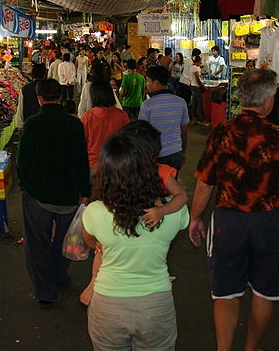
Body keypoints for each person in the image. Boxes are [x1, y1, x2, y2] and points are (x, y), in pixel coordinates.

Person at [189, 69, 279, 351]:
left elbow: (205, 182)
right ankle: (251, 348)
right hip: (270, 222)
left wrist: (195, 217)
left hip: (228, 221)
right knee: (264, 292)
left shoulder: (221, 132)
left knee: (226, 294)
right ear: (269, 100)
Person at [82, 133, 189, 350]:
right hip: (156, 307)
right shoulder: (170, 212)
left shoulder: (94, 212)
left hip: (107, 306)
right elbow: (181, 201)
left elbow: (91, 243)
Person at [17, 78, 91, 308]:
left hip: (37, 194)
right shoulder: (74, 124)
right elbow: (81, 161)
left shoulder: (32, 124)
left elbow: (23, 162)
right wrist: (85, 191)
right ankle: (60, 274)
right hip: (68, 194)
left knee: (37, 243)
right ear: (60, 97)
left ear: (39, 98)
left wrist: (25, 184)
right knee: (64, 240)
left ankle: (45, 290)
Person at [139, 65, 190, 172]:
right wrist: (183, 151)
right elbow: (184, 131)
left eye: (148, 81)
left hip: (155, 156)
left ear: (156, 83)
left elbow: (143, 133)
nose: (146, 85)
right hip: (175, 153)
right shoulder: (181, 102)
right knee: (173, 186)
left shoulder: (147, 105)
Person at [81, 80, 131, 170]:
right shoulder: (122, 115)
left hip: (93, 165)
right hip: (116, 164)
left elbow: (82, 141)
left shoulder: (87, 117)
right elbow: (128, 140)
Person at [14, 63, 47, 127]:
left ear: (32, 75)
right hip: (45, 123)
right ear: (44, 74)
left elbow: (21, 108)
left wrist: (20, 125)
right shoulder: (48, 87)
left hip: (29, 124)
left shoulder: (25, 89)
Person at [181, 55, 208, 125]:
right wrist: (202, 86)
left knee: (194, 103)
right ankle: (202, 119)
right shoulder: (194, 68)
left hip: (193, 86)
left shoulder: (196, 67)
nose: (201, 62)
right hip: (196, 87)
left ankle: (194, 118)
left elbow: (199, 73)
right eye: (200, 61)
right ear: (198, 61)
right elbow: (197, 79)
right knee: (200, 103)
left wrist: (204, 73)